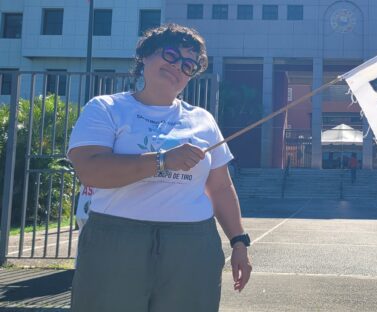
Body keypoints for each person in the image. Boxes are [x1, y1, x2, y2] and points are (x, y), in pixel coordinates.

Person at [67, 23, 252, 312]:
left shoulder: (203, 120)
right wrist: (162, 160)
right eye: (171, 55)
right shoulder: (106, 108)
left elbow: (220, 187)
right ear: (145, 56)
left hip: (191, 243)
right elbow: (90, 170)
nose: (178, 67)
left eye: (189, 65)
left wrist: (239, 242)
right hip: (116, 239)